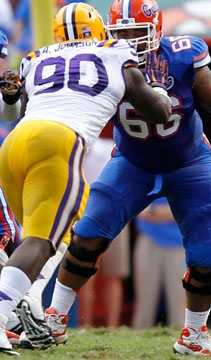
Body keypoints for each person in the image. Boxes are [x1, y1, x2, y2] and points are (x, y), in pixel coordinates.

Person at [42, 0, 211, 357]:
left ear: (157, 29)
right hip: (132, 162)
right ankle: (54, 319)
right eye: (123, 35)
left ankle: (194, 334)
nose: (132, 42)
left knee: (210, 253)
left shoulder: (182, 54)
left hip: (189, 162)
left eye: (138, 33)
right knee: (88, 233)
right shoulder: (104, 59)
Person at [0, 2, 172, 354]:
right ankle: (2, 313)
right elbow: (156, 111)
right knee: (41, 241)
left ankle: (25, 304)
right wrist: (161, 94)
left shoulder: (35, 56)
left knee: (46, 235)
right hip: (59, 140)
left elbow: (12, 112)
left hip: (14, 144)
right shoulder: (116, 52)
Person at [76, 138, 130, 328]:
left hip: (116, 214)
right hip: (87, 213)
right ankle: (86, 325)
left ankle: (112, 326)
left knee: (113, 275)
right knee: (85, 273)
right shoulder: (78, 145)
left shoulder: (115, 146)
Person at [132, 198, 186, 329]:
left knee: (179, 308)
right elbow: (138, 209)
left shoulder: (189, 177)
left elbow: (190, 209)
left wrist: (153, 211)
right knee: (144, 306)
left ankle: (184, 345)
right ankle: (137, 345)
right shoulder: (145, 176)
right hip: (148, 239)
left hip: (180, 243)